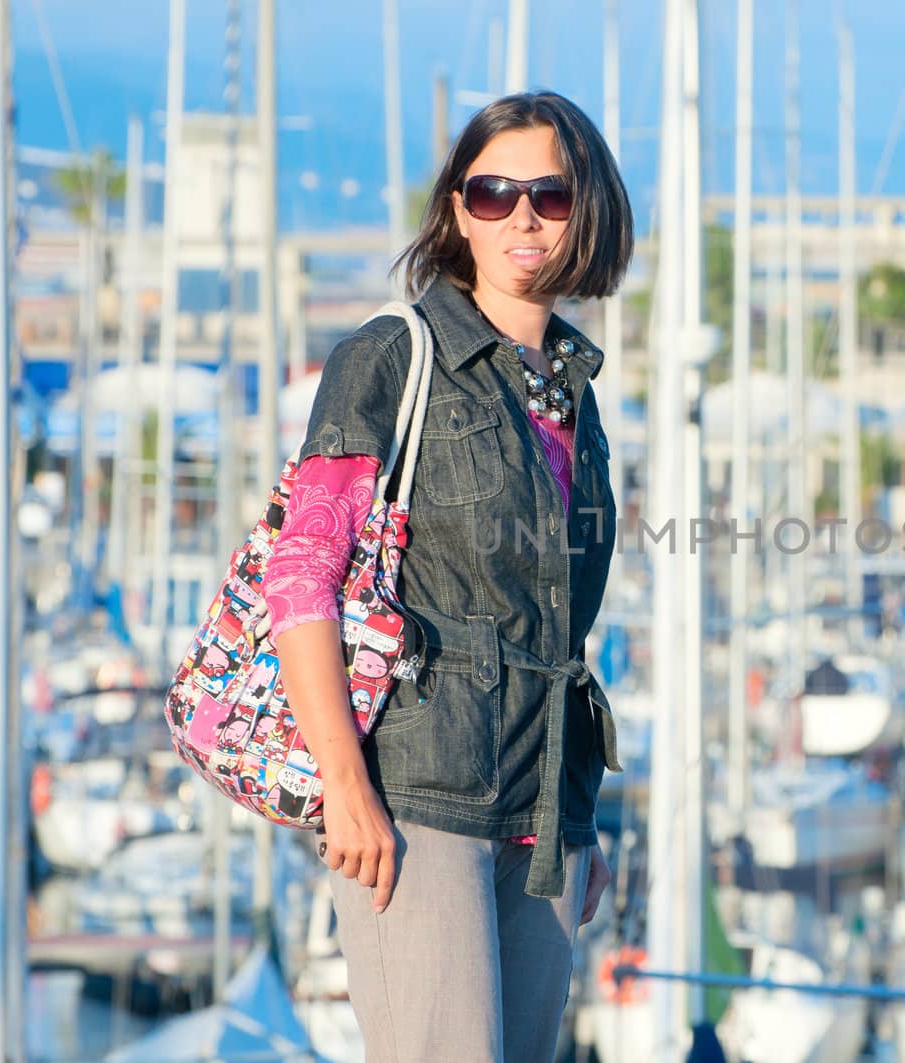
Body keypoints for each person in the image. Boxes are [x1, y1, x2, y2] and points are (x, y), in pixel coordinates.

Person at [265, 91, 632, 1062]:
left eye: (547, 195)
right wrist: (344, 784)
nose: (520, 215)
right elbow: (299, 576)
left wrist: (579, 818)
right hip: (418, 793)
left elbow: (559, 629)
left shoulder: (571, 393)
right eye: (492, 191)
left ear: (585, 208)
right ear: (457, 208)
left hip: (544, 807)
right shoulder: (391, 357)